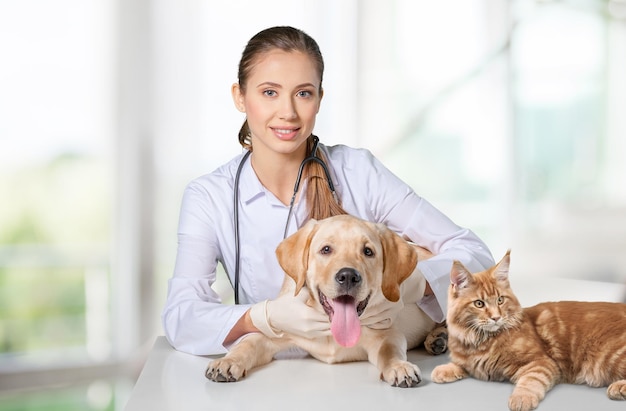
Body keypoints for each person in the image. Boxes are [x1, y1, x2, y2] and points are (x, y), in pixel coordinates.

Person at [161, 26, 494, 355]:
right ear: (240, 97)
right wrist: (263, 316)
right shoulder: (208, 197)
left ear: (320, 98)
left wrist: (415, 285)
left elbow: (475, 256)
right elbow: (181, 318)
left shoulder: (358, 173)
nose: (288, 112)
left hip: (362, 374)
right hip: (271, 377)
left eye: (303, 93)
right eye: (269, 92)